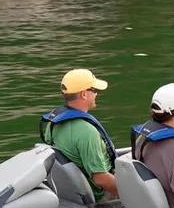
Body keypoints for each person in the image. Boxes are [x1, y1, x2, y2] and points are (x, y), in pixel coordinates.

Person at [40, 69, 118, 201]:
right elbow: (101, 179)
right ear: (84, 94)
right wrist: (130, 194)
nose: (96, 93)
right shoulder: (87, 132)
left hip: (72, 189)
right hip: (100, 195)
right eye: (94, 90)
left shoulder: (53, 123)